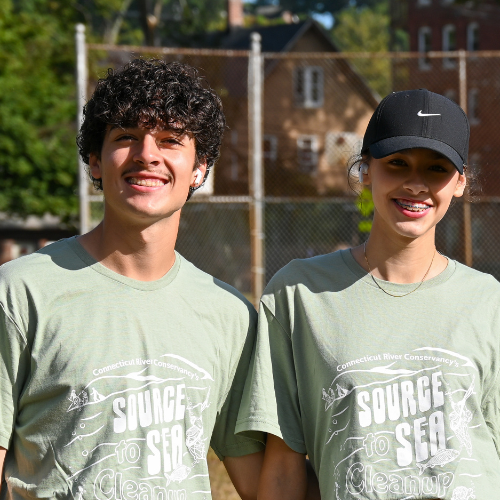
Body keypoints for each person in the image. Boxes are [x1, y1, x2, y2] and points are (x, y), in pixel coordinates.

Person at [0, 59, 265, 499]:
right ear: (95, 162)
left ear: (200, 168)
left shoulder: (230, 315)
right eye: (126, 137)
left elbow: (263, 483)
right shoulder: (20, 292)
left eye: (170, 140)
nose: (147, 155)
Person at [236, 89, 500, 499]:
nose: (416, 184)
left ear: (461, 182)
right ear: (365, 171)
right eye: (397, 163)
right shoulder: (299, 294)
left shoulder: (488, 300)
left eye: (436, 168)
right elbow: (284, 465)